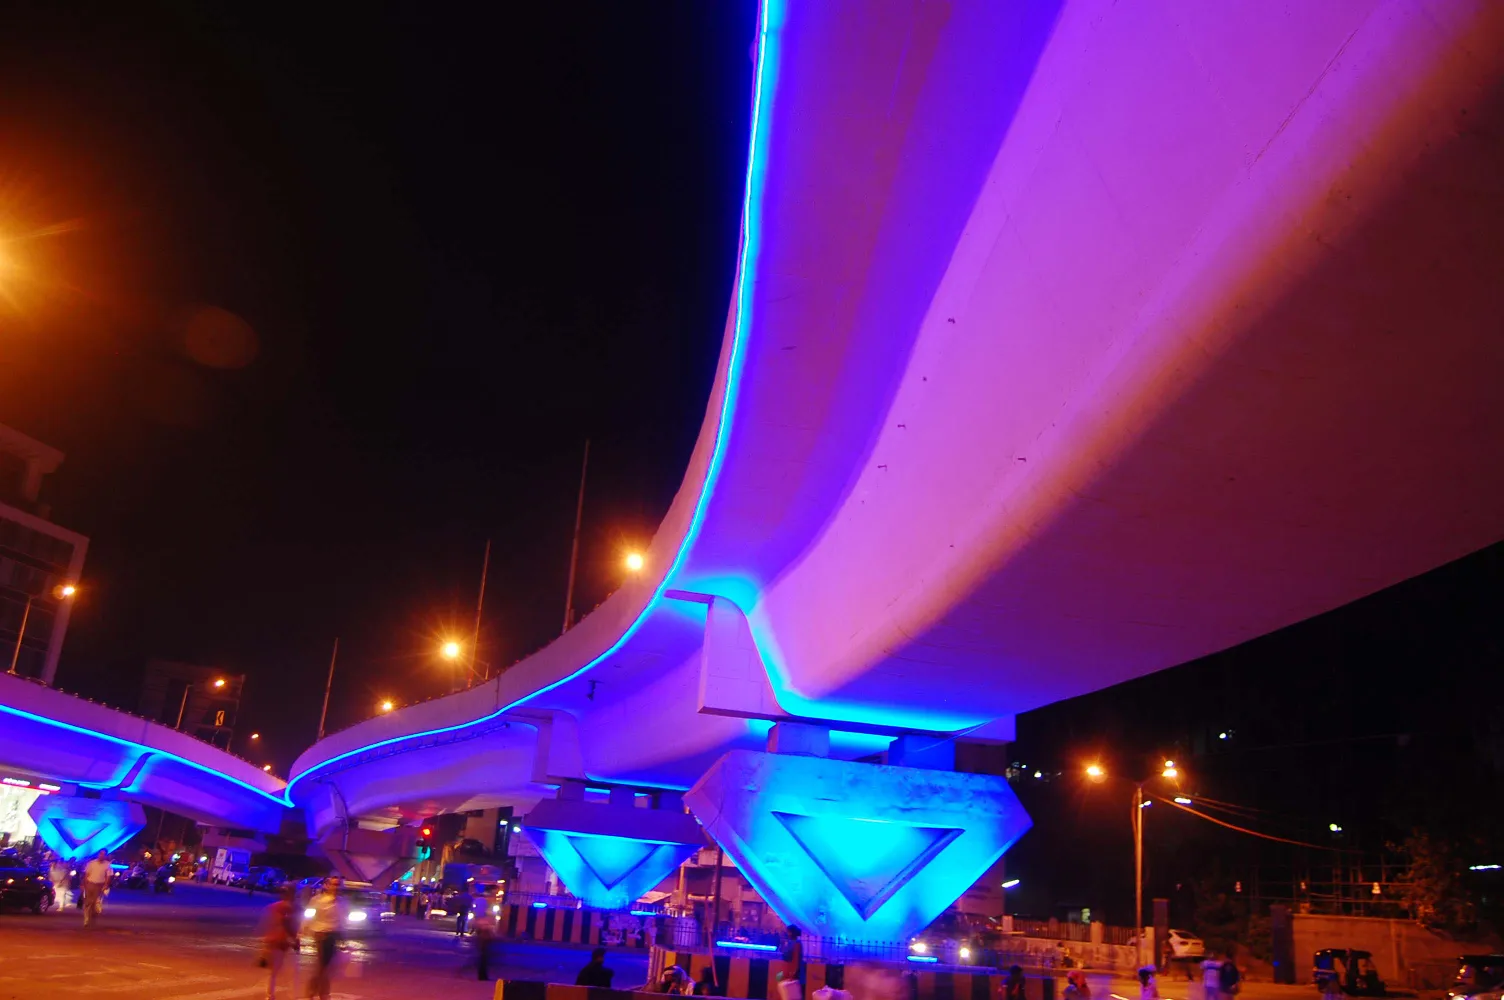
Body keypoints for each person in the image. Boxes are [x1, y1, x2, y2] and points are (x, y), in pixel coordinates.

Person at [304, 875, 348, 1000]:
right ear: (326, 885)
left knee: (328, 968)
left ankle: (320, 993)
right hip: (321, 935)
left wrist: (343, 939)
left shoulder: (342, 901)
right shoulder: (317, 900)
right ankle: (315, 993)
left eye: (338, 884)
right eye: (333, 884)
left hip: (334, 934)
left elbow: (341, 921)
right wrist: (303, 932)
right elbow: (309, 916)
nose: (336, 887)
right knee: (322, 966)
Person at [258, 885, 300, 999]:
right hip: (280, 943)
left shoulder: (275, 907)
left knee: (275, 973)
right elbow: (287, 925)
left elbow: (267, 925)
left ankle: (270, 996)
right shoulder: (287, 908)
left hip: (277, 942)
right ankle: (272, 996)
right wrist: (295, 941)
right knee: (283, 973)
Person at [81, 850, 112, 926]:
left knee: (95, 903)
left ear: (105, 855)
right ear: (98, 854)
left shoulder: (107, 865)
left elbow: (108, 876)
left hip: (99, 886)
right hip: (90, 884)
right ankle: (86, 919)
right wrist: (83, 884)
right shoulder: (91, 863)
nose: (102, 855)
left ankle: (92, 917)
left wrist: (106, 885)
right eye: (101, 854)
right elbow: (86, 875)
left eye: (104, 854)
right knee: (88, 902)